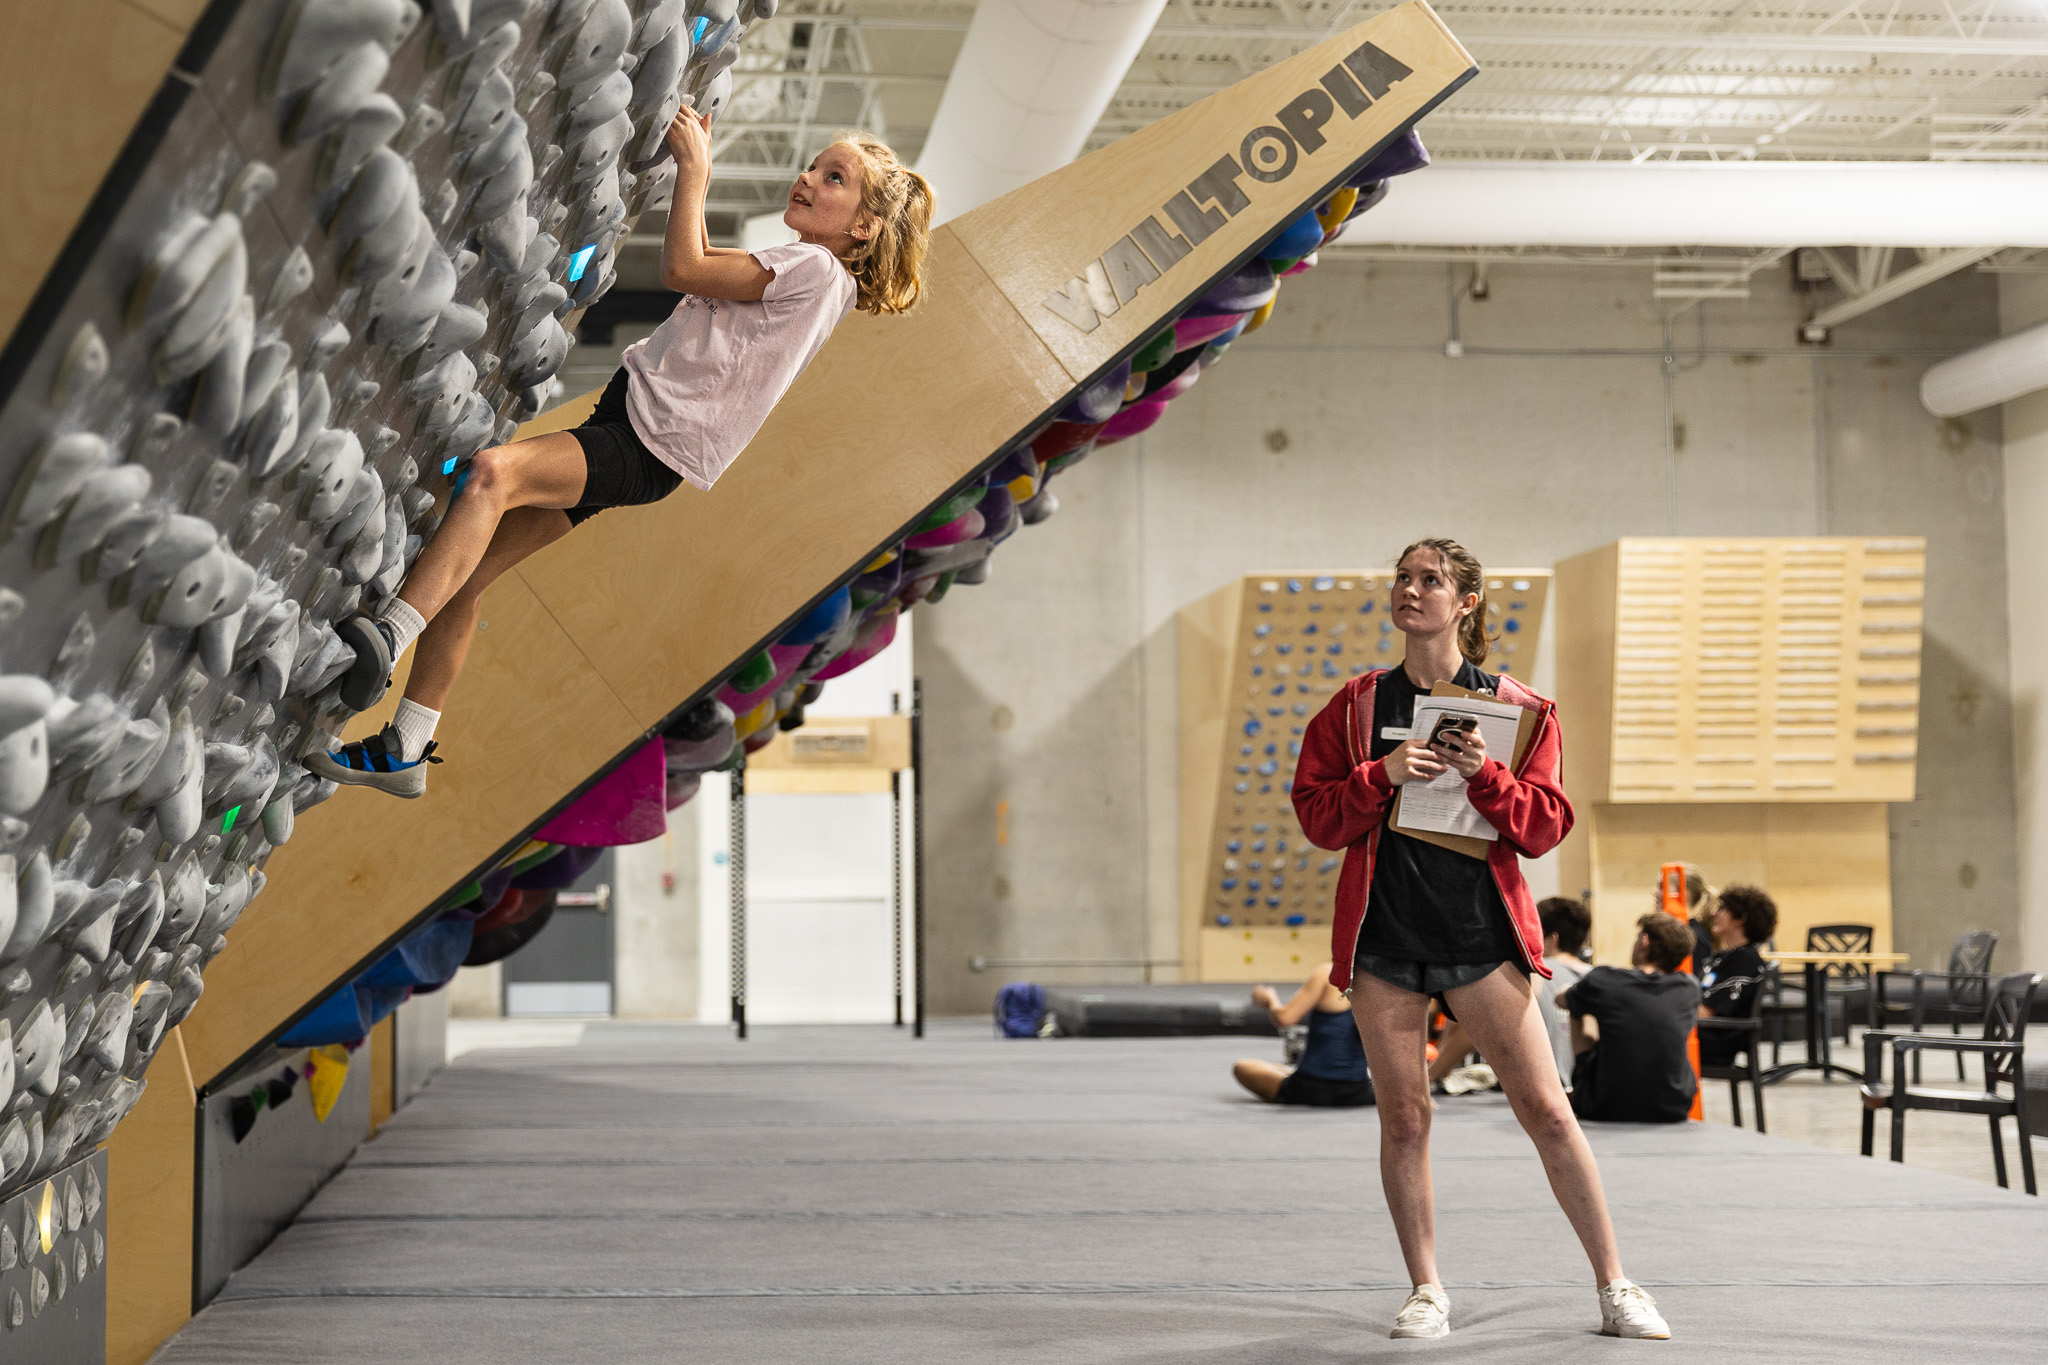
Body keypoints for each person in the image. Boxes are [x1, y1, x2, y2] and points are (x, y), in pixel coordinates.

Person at [308, 117, 935, 797]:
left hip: (646, 439)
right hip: (643, 429)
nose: (809, 179)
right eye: (815, 166)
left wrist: (696, 165)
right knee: (471, 570)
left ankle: (390, 637)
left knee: (493, 474)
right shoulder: (813, 279)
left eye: (834, 178)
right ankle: (406, 742)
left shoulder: (814, 267)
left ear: (865, 227)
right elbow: (700, 258)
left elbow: (682, 268)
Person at [1292, 538, 1671, 1342]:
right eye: (1402, 577)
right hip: (1384, 938)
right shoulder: (1356, 706)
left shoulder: (1520, 709)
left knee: (1547, 1107)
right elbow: (1316, 815)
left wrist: (1484, 774)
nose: (1410, 589)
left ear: (1465, 601)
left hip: (1480, 932)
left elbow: (1545, 826)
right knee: (1405, 1117)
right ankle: (1426, 1288)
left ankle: (1617, 1284)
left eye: (1430, 579)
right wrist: (1382, 775)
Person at [1431, 894, 1591, 1093]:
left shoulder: (1535, 972)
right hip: (1586, 1091)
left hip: (1544, 1090)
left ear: (1551, 939)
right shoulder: (1598, 978)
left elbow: (1479, 1025)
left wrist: (1431, 1075)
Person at [1561, 913, 1703, 1124]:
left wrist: (1569, 989)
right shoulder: (1689, 987)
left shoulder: (1604, 980)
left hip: (1603, 1105)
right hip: (1674, 1106)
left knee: (1577, 1005)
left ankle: (1580, 1083)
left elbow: (1560, 1000)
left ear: (1644, 941)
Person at [1232, 963, 1375, 1107]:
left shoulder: (1327, 973)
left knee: (1242, 1066)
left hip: (1310, 1089)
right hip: (1358, 1092)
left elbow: (1284, 1018)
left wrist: (1270, 999)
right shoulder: (1377, 979)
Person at [1695, 884, 1777, 1066]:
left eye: (1722, 908)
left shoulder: (1745, 960)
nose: (1713, 913)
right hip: (1704, 1034)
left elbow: (1705, 1012)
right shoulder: (1728, 956)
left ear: (1740, 918)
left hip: (1715, 1042)